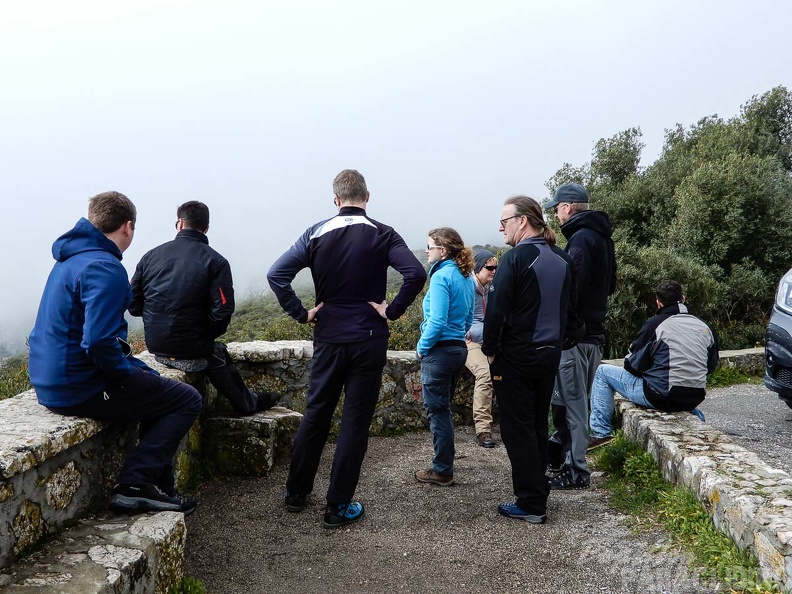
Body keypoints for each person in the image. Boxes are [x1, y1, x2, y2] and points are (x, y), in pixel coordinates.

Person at [267, 169, 426, 529]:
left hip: (328, 336)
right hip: (368, 338)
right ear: (367, 197)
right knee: (355, 421)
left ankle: (296, 493)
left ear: (336, 200)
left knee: (317, 412)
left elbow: (276, 274)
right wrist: (393, 310)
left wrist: (302, 313)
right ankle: (337, 507)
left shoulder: (315, 233)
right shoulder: (383, 233)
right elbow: (415, 274)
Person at [28, 191, 202, 515]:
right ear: (128, 226)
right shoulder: (105, 267)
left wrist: (136, 373)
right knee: (186, 399)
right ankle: (134, 484)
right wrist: (124, 375)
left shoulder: (70, 260)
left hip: (49, 380)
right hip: (80, 386)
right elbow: (97, 342)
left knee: (155, 388)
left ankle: (158, 488)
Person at [482, 196, 583, 524]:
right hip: (549, 356)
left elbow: (496, 311)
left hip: (515, 358)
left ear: (523, 220)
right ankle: (538, 490)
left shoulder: (515, 259)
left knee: (516, 429)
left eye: (505, 221)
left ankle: (531, 502)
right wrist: (561, 342)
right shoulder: (562, 257)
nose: (502, 227)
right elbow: (572, 312)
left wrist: (490, 349)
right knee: (538, 423)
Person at [129, 201, 280, 415]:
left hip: (156, 343)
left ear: (179, 224)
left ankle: (248, 400)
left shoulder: (150, 257)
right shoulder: (216, 261)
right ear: (206, 228)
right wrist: (202, 335)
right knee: (217, 352)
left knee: (213, 351)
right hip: (193, 345)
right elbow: (222, 313)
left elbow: (133, 305)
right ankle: (248, 403)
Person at [542, 183, 617, 490]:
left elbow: (571, 288)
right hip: (595, 334)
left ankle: (577, 471)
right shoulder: (602, 238)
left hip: (575, 337)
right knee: (571, 401)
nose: (556, 215)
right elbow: (611, 285)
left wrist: (565, 326)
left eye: (556, 209)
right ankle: (558, 451)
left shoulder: (581, 240)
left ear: (568, 208)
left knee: (573, 405)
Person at [588, 280, 719, 441]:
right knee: (678, 398)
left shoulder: (655, 324)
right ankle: (694, 414)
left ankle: (601, 433)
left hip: (661, 396)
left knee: (602, 372)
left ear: (658, 303)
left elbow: (632, 366)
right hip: (695, 396)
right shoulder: (705, 327)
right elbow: (711, 366)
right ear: (683, 299)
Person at [414, 228, 475, 486]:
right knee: (444, 410)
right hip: (459, 350)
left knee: (438, 412)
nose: (427, 251)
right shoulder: (467, 276)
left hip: (439, 352)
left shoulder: (441, 277)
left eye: (430, 246)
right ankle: (444, 465)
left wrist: (421, 347)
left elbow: (437, 321)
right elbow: (469, 318)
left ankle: (442, 470)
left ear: (443, 250)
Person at [465, 249, 499, 448]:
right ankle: (483, 429)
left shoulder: (494, 288)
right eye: (489, 267)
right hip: (470, 342)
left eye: (496, 267)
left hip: (490, 340)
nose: (494, 271)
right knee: (485, 374)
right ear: (478, 268)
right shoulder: (467, 287)